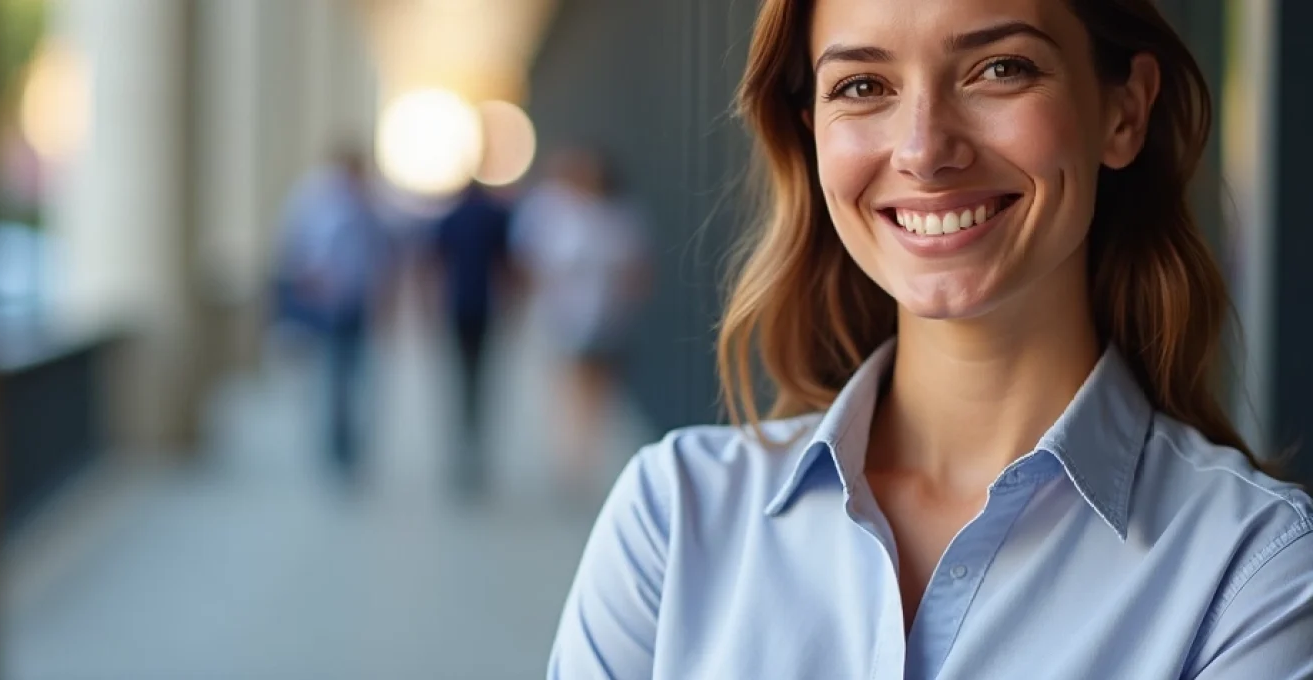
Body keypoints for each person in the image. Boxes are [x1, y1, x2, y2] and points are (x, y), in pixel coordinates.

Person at [549, 0, 1313, 677]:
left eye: (1000, 69)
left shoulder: (1253, 570)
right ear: (812, 131)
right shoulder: (673, 519)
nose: (923, 149)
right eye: (862, 86)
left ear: (1125, 112)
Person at [510, 149, 651, 498]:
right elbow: (531, 263)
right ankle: (570, 460)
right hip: (566, 319)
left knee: (598, 392)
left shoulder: (619, 217)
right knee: (568, 388)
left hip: (607, 320)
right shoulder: (558, 214)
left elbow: (639, 270)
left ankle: (587, 456)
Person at [273, 146, 393, 483]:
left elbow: (382, 252)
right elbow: (295, 247)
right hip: (325, 302)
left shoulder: (368, 202)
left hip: (359, 301)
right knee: (332, 375)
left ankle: (349, 442)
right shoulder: (314, 199)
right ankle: (336, 444)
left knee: (356, 376)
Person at [420, 181, 515, 499]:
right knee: (479, 382)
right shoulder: (494, 217)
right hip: (484, 308)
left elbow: (434, 267)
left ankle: (462, 450)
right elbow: (507, 267)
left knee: (459, 381)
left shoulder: (451, 219)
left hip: (457, 308)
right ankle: (473, 449)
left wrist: (430, 311)